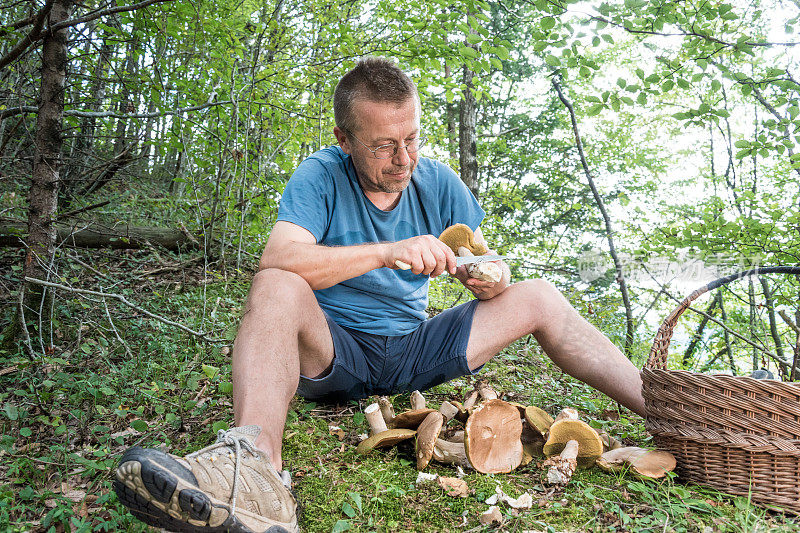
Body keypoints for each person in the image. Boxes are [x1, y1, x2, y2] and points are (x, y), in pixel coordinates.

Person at [112, 57, 646, 533]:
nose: (403, 158)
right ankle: (259, 475)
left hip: (415, 348)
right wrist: (388, 250)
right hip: (335, 352)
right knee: (275, 285)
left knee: (540, 295)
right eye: (384, 146)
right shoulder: (319, 176)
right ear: (345, 139)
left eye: (411, 139)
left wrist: (491, 278)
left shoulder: (439, 183)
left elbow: (489, 259)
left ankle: (668, 411)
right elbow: (280, 259)